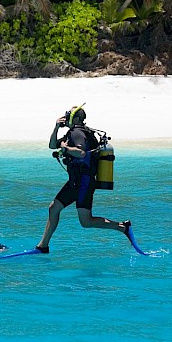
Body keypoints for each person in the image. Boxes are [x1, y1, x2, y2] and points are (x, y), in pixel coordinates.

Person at [34, 105, 135, 253]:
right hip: (77, 181)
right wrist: (56, 128)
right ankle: (43, 246)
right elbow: (51, 145)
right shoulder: (78, 133)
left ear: (75, 118)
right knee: (54, 208)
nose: (66, 118)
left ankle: (123, 227)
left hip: (83, 183)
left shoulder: (76, 133)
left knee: (86, 221)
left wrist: (65, 149)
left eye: (68, 116)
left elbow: (81, 152)